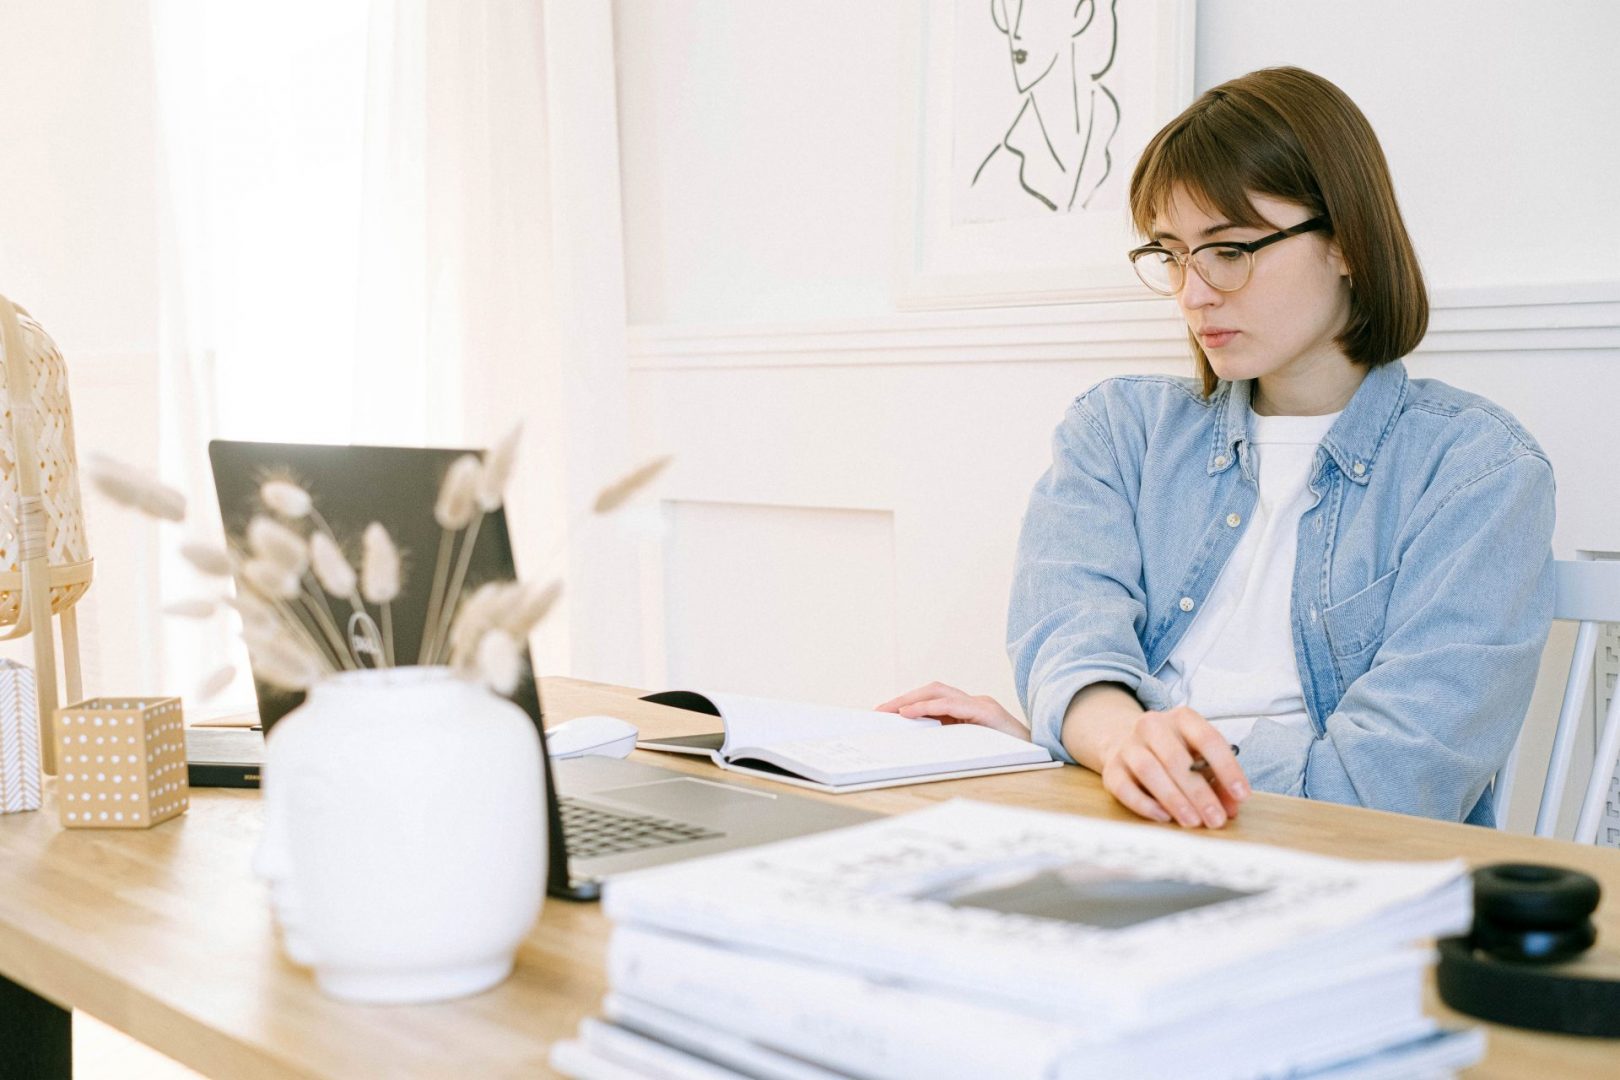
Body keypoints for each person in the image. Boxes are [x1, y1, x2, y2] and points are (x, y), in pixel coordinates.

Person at [879, 66, 1555, 830]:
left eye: (1228, 250)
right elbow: (1067, 647)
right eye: (1171, 254)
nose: (1192, 293)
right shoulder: (1118, 432)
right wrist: (1105, 740)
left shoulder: (1478, 475)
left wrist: (1094, 751)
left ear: (1346, 244)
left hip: (1339, 880)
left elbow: (1383, 790)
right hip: (1118, 840)